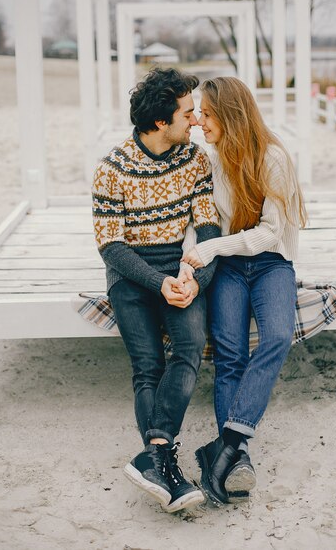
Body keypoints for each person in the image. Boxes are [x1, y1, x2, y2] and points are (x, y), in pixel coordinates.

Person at [91, 68, 221, 513]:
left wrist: (193, 278)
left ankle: (156, 456)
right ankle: (164, 463)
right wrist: (157, 282)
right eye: (187, 113)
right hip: (130, 276)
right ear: (161, 122)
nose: (196, 120)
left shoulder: (195, 159)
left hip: (179, 270)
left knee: (189, 347)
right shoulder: (113, 169)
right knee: (147, 366)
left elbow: (208, 228)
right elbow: (111, 246)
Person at [181, 76, 308, 505]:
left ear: (230, 116)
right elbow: (199, 220)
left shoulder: (273, 158)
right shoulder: (210, 160)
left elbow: (271, 233)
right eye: (197, 112)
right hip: (231, 267)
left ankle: (227, 443)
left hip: (272, 262)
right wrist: (193, 255)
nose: (199, 120)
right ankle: (236, 461)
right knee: (229, 354)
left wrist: (211, 246)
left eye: (208, 113)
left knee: (275, 335)